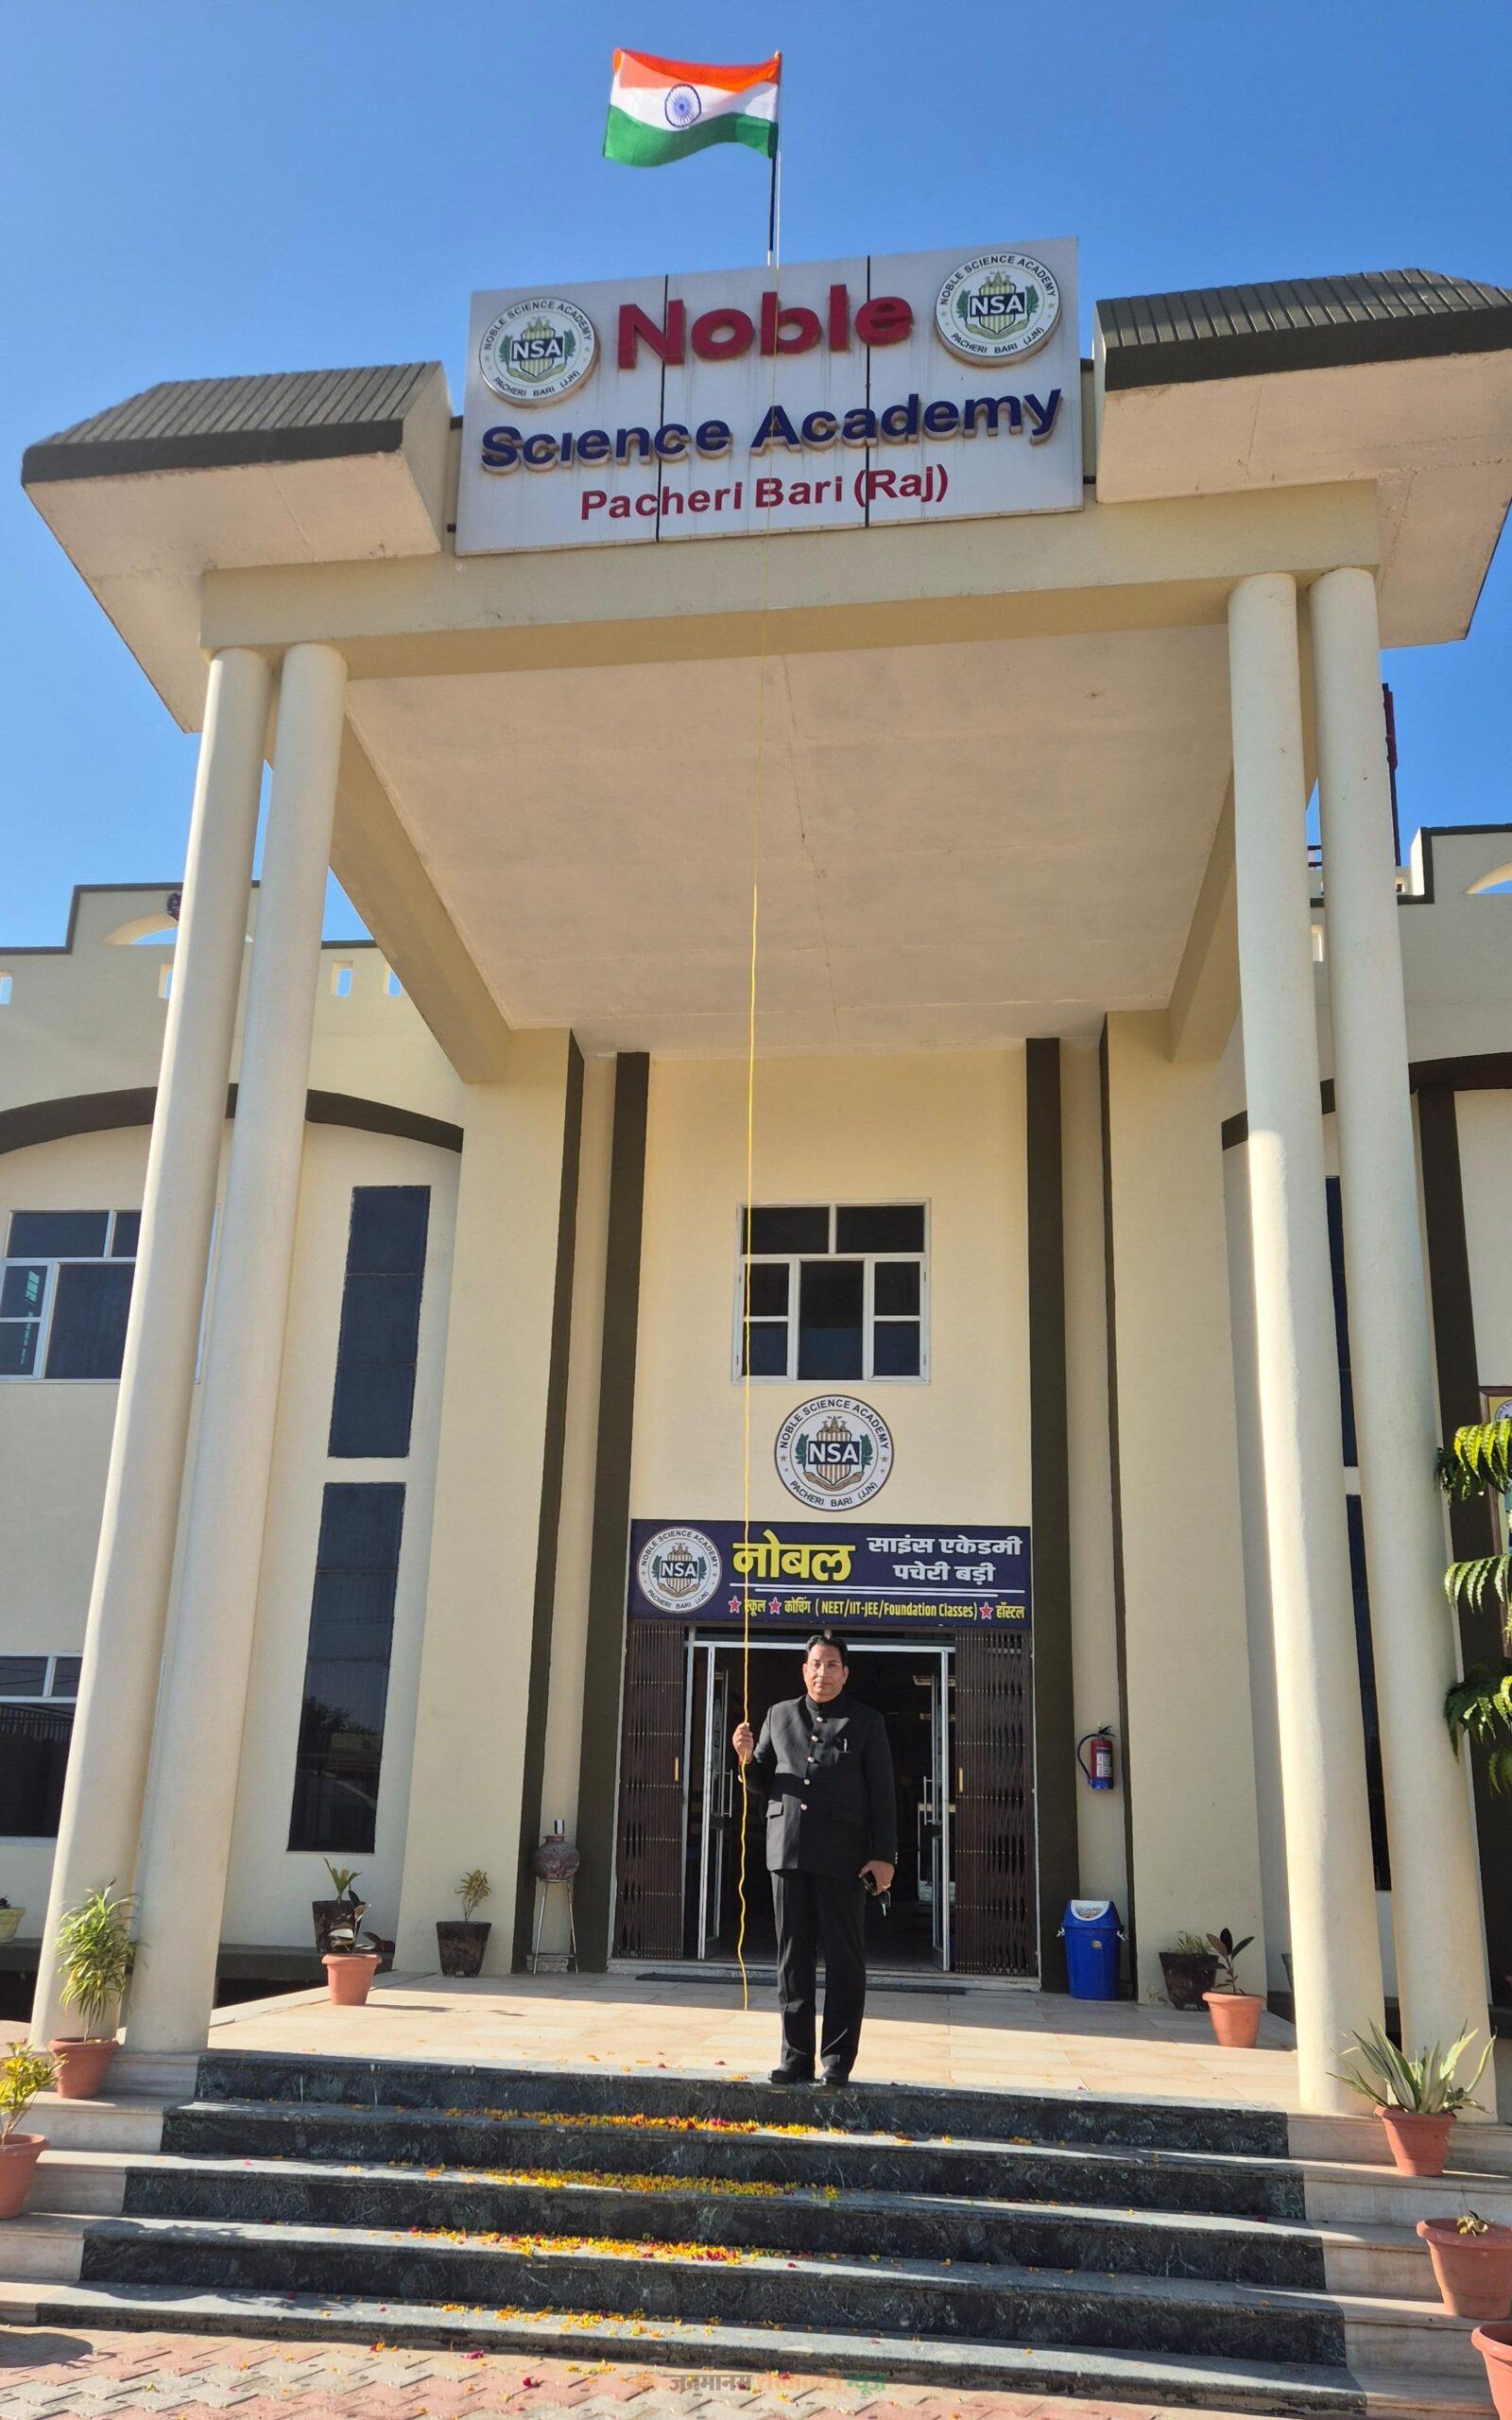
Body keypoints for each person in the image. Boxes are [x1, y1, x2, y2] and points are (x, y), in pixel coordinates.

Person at [731, 1631, 897, 2087]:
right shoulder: (779, 1714)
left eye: (831, 1665)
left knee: (844, 1961)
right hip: (788, 1853)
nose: (823, 1673)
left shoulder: (866, 1722)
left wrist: (884, 1856)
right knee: (792, 1961)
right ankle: (795, 2058)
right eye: (815, 1664)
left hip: (844, 1858)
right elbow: (761, 1781)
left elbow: (883, 1794)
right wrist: (745, 1759)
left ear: (845, 1672)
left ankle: (837, 2060)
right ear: (805, 1670)